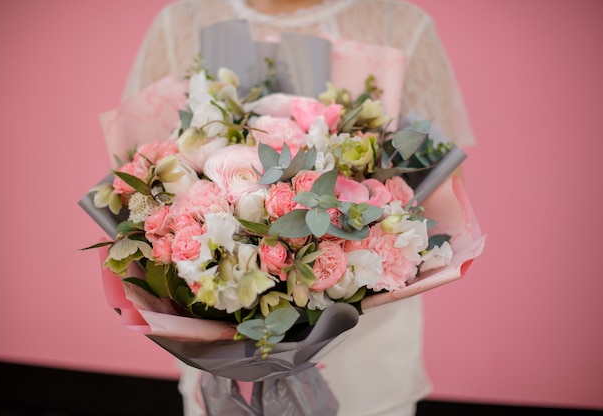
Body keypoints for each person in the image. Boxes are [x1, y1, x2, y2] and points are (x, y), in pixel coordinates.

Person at [121, 1, 475, 415]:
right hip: (225, 335)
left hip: (365, 331)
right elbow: (142, 169)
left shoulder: (399, 21)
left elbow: (437, 178)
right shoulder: (181, 21)